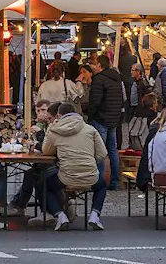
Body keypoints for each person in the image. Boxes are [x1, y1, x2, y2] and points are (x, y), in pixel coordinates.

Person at [41, 102, 109, 230]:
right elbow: (102, 154)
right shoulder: (90, 129)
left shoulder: (54, 131)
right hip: (90, 175)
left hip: (66, 176)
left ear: (59, 115)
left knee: (44, 184)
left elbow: (46, 151)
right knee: (102, 185)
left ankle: (60, 216)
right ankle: (94, 215)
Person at [88, 54, 124, 190]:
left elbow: (95, 101)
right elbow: (120, 99)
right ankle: (115, 182)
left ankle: (99, 182)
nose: (92, 66)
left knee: (100, 151)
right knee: (112, 151)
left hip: (101, 118)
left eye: (94, 63)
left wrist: (90, 116)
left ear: (99, 65)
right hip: (113, 118)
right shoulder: (115, 79)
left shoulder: (99, 80)